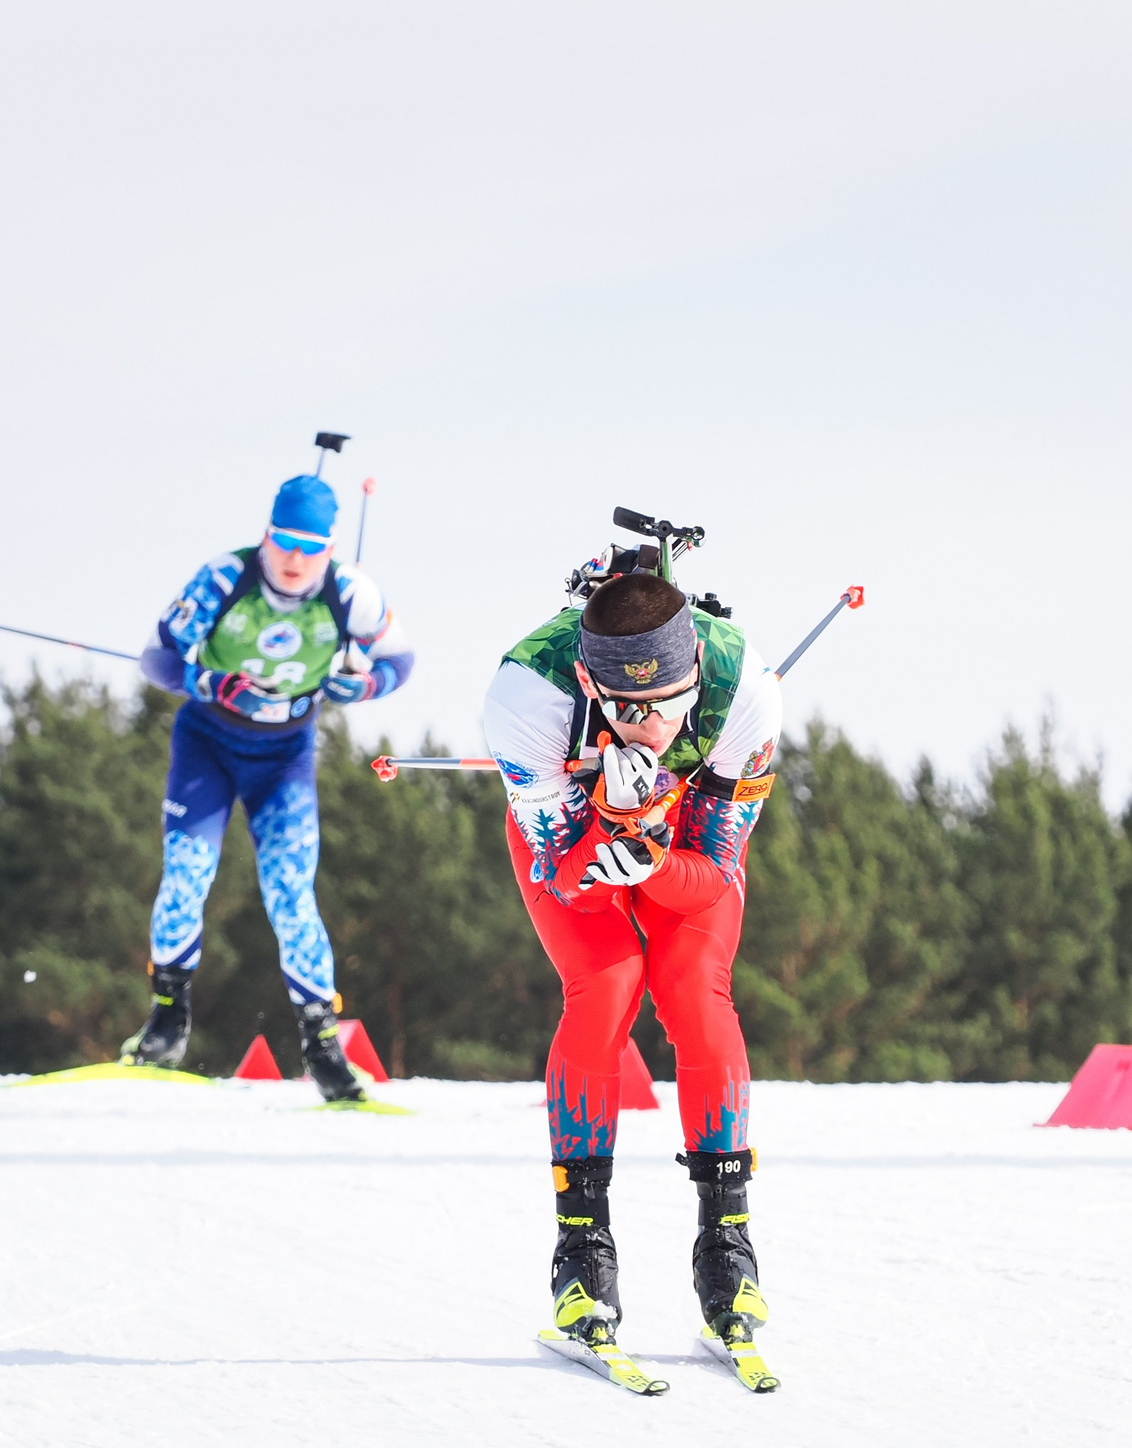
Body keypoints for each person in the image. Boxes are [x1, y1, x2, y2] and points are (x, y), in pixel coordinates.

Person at [482, 567, 782, 1367]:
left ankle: (727, 1244)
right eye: (625, 709)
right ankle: (582, 1250)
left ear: (695, 669)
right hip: (578, 829)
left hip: (681, 838)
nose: (649, 726)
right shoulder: (526, 699)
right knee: (607, 985)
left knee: (695, 992)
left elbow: (712, 875)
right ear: (587, 678)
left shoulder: (745, 689)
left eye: (669, 703)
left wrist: (647, 852)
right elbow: (564, 878)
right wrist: (606, 827)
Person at [122, 472, 414, 1100]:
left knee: (289, 893)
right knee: (187, 873)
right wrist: (206, 682)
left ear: (329, 549)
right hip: (208, 745)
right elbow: (156, 656)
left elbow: (401, 661)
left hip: (284, 757)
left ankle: (323, 1047)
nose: (293, 559)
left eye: (310, 547)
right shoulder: (225, 577)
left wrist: (364, 686)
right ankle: (167, 1018)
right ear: (265, 536)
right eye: (283, 542)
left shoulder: (351, 593)